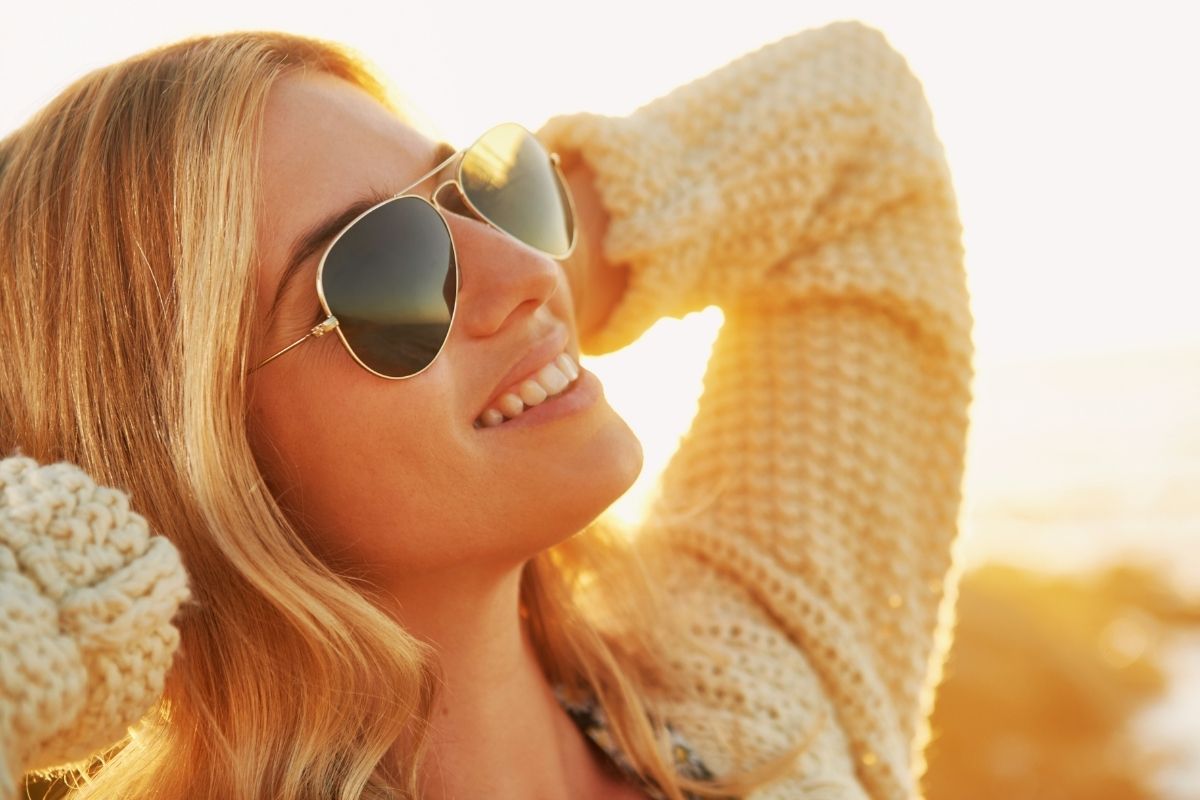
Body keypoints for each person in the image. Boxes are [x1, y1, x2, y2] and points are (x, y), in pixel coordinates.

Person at [0, 18, 974, 800]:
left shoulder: (754, 672)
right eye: (383, 275)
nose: (525, 271)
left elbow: (862, 129)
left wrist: (529, 294)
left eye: (485, 191)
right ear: (185, 448)